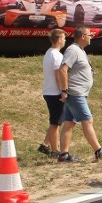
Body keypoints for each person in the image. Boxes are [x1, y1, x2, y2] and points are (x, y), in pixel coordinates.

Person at [55, 26, 102, 162]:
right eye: (89, 34)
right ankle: (99, 151)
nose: (91, 36)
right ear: (83, 37)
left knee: (69, 123)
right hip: (75, 93)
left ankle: (64, 155)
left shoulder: (80, 50)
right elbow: (63, 70)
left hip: (78, 93)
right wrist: (64, 90)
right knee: (87, 120)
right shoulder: (73, 50)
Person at [39, 28, 66, 157]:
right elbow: (58, 75)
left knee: (55, 121)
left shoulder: (49, 53)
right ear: (59, 39)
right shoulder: (56, 55)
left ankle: (47, 146)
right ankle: (53, 149)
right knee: (55, 123)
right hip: (55, 92)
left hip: (49, 90)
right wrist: (63, 91)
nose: (65, 40)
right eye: (64, 38)